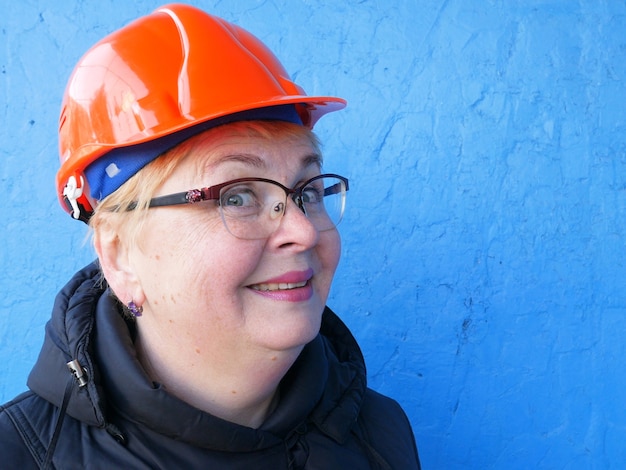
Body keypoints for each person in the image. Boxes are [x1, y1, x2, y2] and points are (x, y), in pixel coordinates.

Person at [0, 4, 420, 469]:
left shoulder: (380, 434)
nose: (301, 230)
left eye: (309, 190)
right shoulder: (19, 455)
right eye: (236, 197)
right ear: (120, 257)